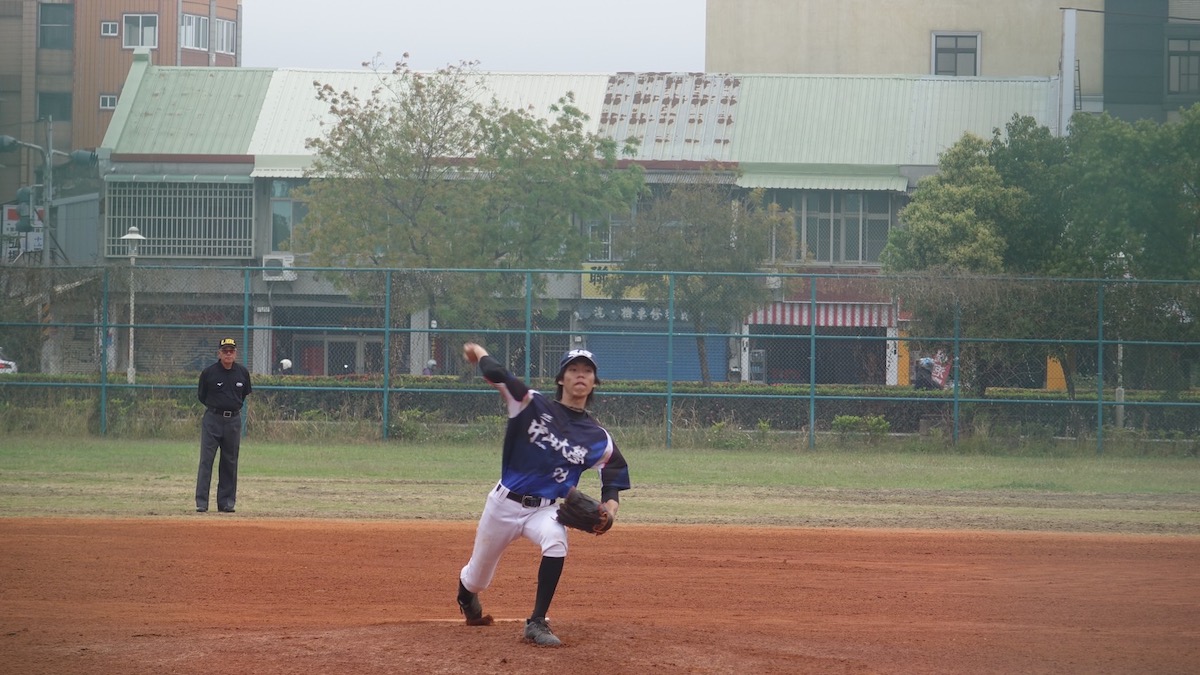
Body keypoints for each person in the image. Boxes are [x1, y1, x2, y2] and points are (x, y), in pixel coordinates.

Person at [456, 342, 630, 647]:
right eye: (573, 369)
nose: (580, 375)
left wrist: (611, 510)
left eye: (587, 371)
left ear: (594, 382)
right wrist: (480, 352)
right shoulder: (531, 404)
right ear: (561, 379)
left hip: (546, 508)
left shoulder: (598, 438)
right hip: (504, 504)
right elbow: (499, 374)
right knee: (477, 578)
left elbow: (613, 474)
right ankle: (466, 596)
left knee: (557, 539)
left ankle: (536, 621)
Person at [195, 337, 252, 513]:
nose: (228, 354)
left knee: (230, 461)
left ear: (235, 353)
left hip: (233, 421)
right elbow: (202, 396)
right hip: (213, 419)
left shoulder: (242, 373)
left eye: (231, 351)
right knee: (206, 460)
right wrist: (216, 409)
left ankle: (226, 502)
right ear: (219, 353)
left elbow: (243, 395)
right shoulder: (209, 373)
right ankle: (202, 502)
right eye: (225, 351)